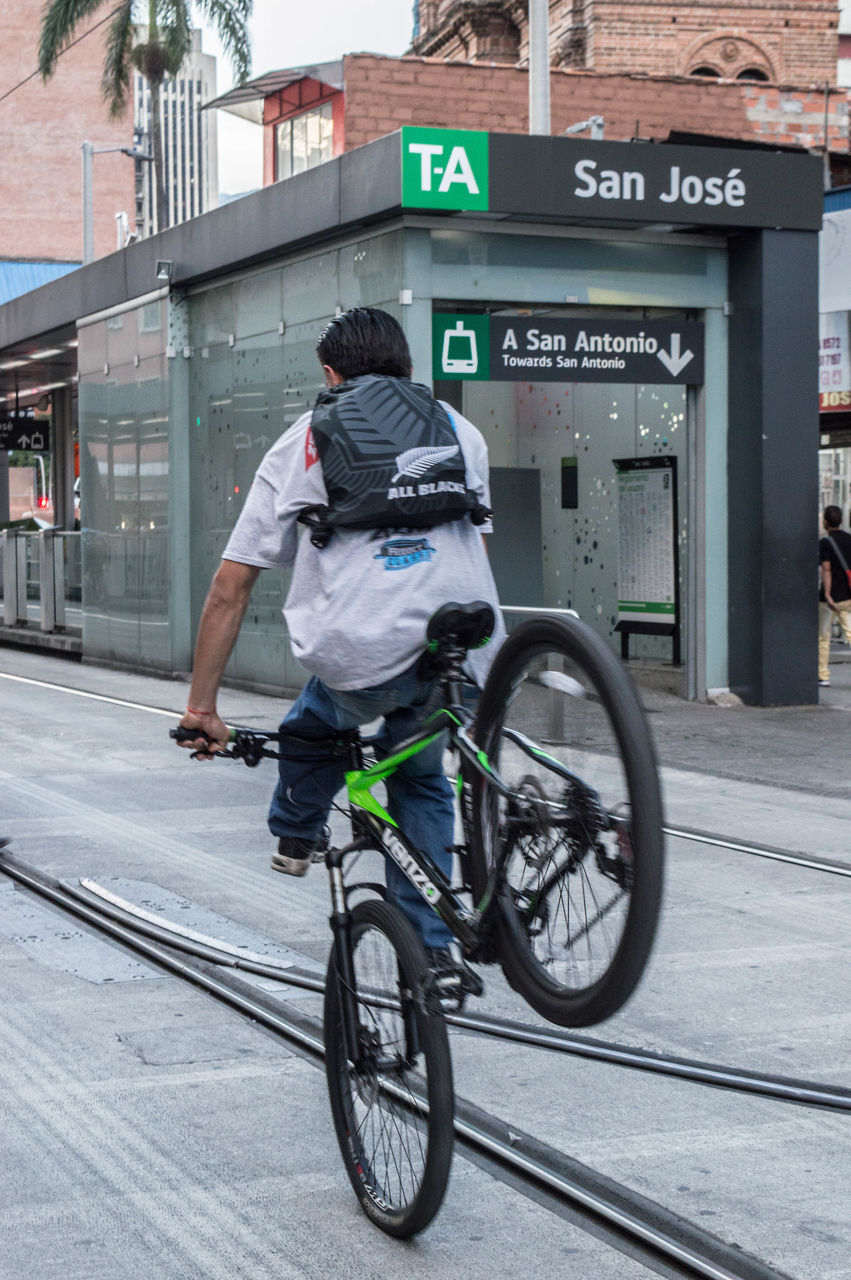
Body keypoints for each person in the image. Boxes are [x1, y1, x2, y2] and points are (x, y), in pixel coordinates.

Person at [177, 307, 502, 961]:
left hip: (367, 652)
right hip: (466, 649)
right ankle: (428, 953)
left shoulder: (303, 439)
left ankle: (294, 838)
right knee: (420, 777)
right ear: (408, 367)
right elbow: (469, 545)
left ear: (330, 374)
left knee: (311, 731)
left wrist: (201, 707)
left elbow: (229, 588)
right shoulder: (460, 432)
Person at [818, 504, 851, 687]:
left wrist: (828, 594)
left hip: (828, 600)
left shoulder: (825, 542)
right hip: (847, 597)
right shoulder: (849, 539)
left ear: (825, 522)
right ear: (841, 521)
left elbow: (826, 569)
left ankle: (823, 676)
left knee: (824, 637)